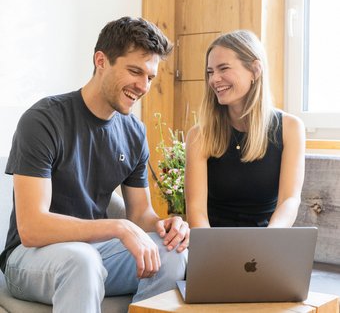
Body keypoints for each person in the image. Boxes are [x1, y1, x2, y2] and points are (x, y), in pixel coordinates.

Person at [0, 16, 189, 312]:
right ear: (101, 61)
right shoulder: (44, 120)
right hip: (30, 258)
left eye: (150, 77)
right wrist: (118, 227)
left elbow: (140, 214)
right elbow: (32, 227)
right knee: (82, 261)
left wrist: (166, 226)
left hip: (92, 252)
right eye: (135, 71)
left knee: (173, 253)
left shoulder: (134, 132)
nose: (143, 86)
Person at [185, 30, 305, 228]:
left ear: (255, 70)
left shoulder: (290, 128)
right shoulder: (199, 135)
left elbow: (289, 201)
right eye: (210, 72)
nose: (214, 79)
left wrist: (270, 240)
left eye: (223, 68)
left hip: (268, 239)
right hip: (215, 242)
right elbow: (196, 211)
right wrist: (210, 253)